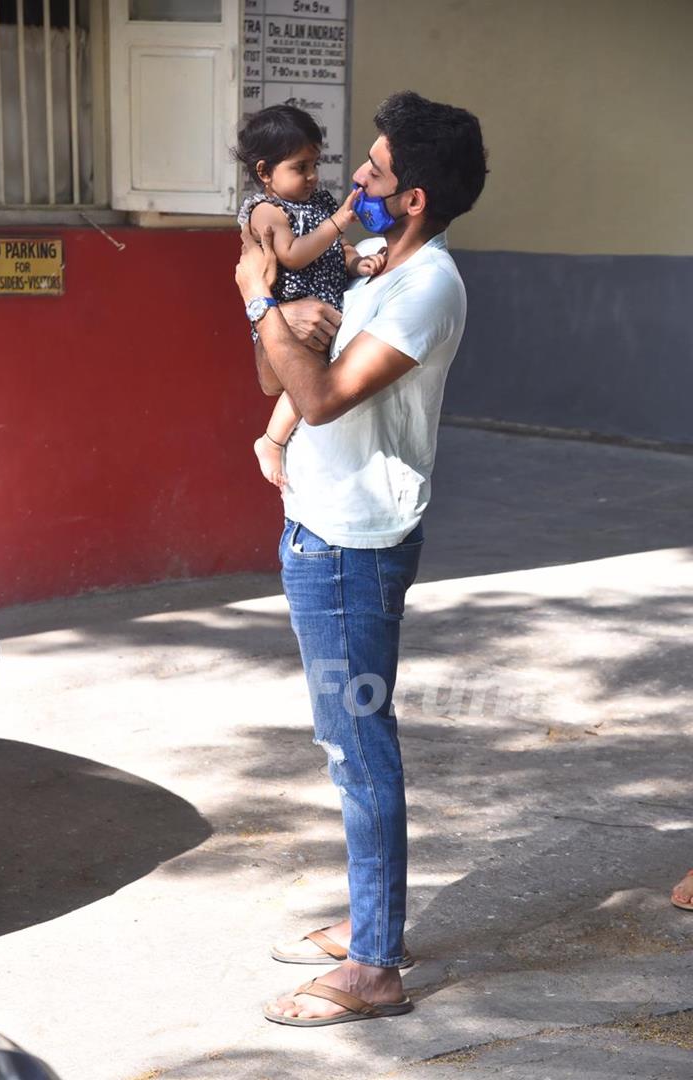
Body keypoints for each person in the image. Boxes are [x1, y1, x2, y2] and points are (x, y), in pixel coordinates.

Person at [235, 90, 487, 1027]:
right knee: (347, 744)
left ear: (412, 197)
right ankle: (370, 923)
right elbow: (284, 376)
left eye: (374, 174)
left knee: (358, 748)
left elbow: (328, 396)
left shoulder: (428, 287)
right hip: (321, 526)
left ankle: (376, 966)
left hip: (352, 543)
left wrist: (262, 297)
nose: (354, 186)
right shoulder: (377, 269)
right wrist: (277, 328)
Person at [235, 104, 387, 489]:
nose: (312, 176)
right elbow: (293, 254)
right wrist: (337, 223)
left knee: (320, 378)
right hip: (288, 317)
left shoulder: (317, 202)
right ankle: (270, 441)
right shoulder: (266, 211)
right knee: (307, 380)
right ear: (265, 172)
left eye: (315, 165)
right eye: (300, 167)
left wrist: (356, 263)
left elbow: (338, 248)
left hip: (323, 309)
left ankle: (280, 441)